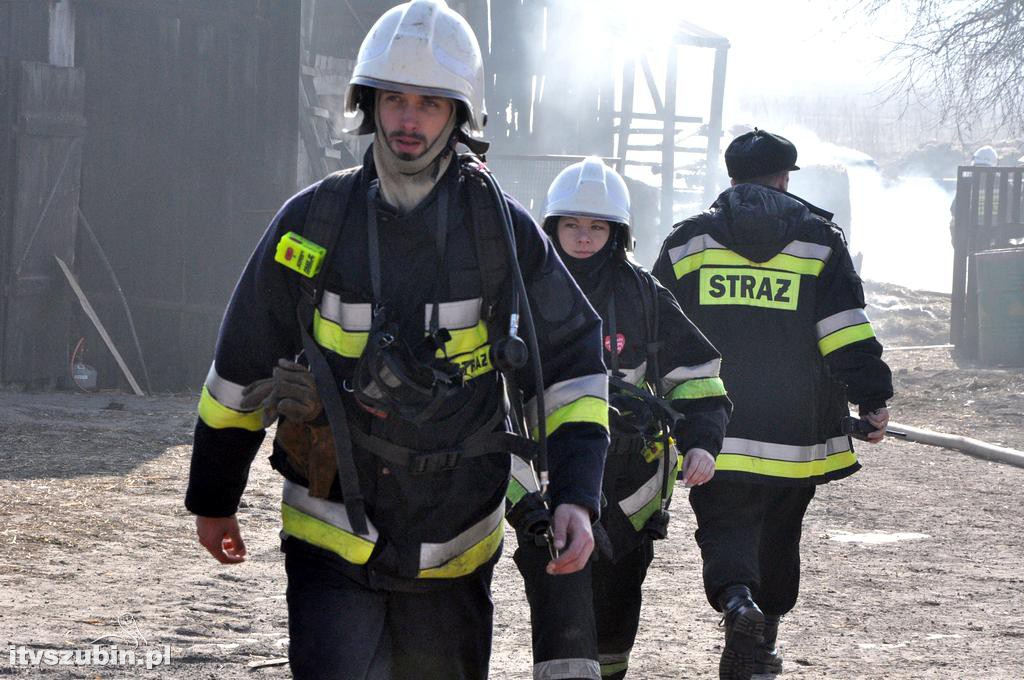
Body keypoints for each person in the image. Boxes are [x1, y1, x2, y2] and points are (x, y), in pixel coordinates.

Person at [184, 2, 609, 678]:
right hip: (331, 535)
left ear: (459, 115)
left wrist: (577, 495)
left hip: (456, 545)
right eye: (395, 99)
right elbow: (239, 370)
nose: (409, 119)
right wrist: (213, 498)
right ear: (369, 104)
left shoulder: (500, 231)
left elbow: (575, 369)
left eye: (430, 103)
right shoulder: (313, 223)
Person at [653, 129, 893, 680]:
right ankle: (758, 645)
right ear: (784, 179)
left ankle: (738, 604)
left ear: (731, 176)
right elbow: (844, 332)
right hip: (795, 432)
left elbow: (656, 328)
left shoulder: (689, 241)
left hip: (712, 426)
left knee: (724, 526)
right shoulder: (819, 241)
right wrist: (872, 396)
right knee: (780, 535)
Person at [513, 156, 731, 680]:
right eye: (571, 224)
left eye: (597, 226)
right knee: (560, 602)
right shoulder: (521, 292)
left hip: (630, 487)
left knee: (616, 610)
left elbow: (695, 376)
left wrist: (702, 441)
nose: (583, 236)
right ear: (551, 227)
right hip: (547, 478)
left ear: (617, 233)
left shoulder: (643, 295)